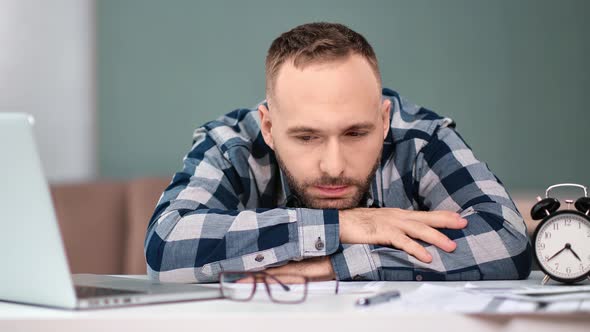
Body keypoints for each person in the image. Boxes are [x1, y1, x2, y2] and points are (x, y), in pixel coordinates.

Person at [144, 22, 532, 283]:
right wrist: (346, 225)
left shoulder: (418, 138)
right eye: (307, 137)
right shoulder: (233, 145)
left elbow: (506, 238)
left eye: (355, 132)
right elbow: (165, 247)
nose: (333, 165)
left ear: (384, 120)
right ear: (268, 128)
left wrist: (335, 264)